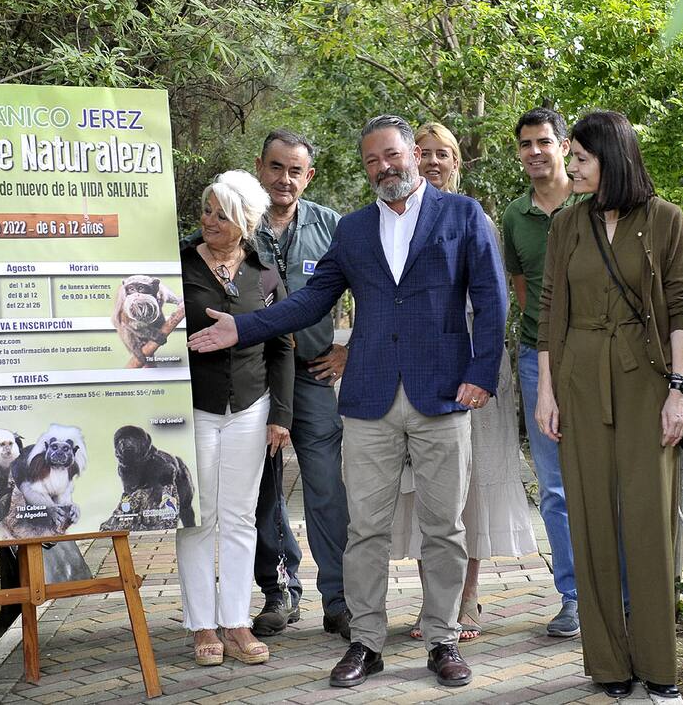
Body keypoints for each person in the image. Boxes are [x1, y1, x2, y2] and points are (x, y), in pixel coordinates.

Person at [189, 114, 507, 690]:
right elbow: (312, 300)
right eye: (371, 161)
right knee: (365, 529)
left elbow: (490, 298)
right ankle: (366, 641)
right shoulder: (354, 230)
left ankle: (442, 640)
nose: (384, 168)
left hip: (444, 394)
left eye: (392, 155)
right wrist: (244, 328)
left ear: (412, 153)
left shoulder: (464, 216)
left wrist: (481, 374)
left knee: (444, 528)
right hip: (368, 399)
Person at [535, 111, 683, 700]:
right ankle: (609, 667)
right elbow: (550, 309)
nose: (569, 167)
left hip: (645, 382)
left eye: (579, 158)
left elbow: (681, 308)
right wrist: (546, 391)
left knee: (648, 525)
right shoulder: (565, 225)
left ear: (612, 161)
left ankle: (659, 669)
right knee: (590, 519)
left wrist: (678, 390)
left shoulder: (665, 221)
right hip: (577, 380)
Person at [391, 121, 535, 642]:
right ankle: (434, 602)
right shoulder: (398, 219)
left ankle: (467, 599)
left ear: (456, 162)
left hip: (474, 365)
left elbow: (496, 301)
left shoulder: (476, 217)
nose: (432, 161)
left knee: (469, 485)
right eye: (423, 153)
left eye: (442, 154)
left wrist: (481, 369)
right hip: (419, 369)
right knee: (426, 485)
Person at [176, 170, 294, 667]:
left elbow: (282, 346)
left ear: (244, 220)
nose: (210, 221)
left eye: (222, 214)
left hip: (251, 408)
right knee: (198, 518)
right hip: (193, 410)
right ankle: (202, 624)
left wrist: (280, 415)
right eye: (206, 210)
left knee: (242, 517)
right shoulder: (178, 266)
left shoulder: (264, 274)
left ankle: (236, 622)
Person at [248, 129, 351, 639]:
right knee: (262, 489)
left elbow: (374, 290)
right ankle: (279, 590)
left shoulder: (333, 226)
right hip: (250, 380)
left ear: (308, 176)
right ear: (259, 168)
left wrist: (348, 349)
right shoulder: (237, 222)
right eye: (275, 168)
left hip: (311, 375)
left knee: (326, 488)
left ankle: (340, 598)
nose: (284, 180)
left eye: (295, 171)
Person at [500, 105, 584, 638]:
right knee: (554, 485)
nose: (534, 152)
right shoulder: (515, 216)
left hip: (597, 358)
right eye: (526, 144)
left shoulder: (595, 201)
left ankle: (621, 593)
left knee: (607, 478)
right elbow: (524, 289)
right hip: (537, 358)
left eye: (543, 143)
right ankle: (573, 597)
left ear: (563, 144)